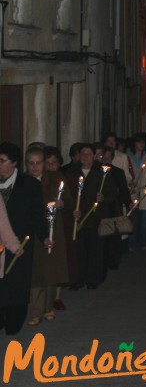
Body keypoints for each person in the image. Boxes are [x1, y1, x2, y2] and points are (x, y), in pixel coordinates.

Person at [0, 142, 48, 335]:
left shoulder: (29, 185)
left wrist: (44, 236)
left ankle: (14, 320)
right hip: (0, 243)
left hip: (20, 242)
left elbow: (38, 215)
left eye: (2, 161)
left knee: (16, 284)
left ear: (14, 163)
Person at [24, 147, 72, 326]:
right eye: (31, 163)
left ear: (44, 164)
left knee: (51, 271)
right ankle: (35, 311)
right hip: (33, 232)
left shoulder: (56, 178)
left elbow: (69, 201)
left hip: (53, 229)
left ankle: (48, 308)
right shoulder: (24, 181)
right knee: (36, 272)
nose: (35, 167)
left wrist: (62, 203)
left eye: (39, 163)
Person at [64, 143, 116, 289]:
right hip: (78, 219)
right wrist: (71, 210)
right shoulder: (72, 172)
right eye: (83, 154)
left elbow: (112, 193)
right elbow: (67, 196)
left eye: (88, 154)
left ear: (94, 156)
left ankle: (93, 279)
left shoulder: (102, 172)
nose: (85, 157)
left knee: (95, 250)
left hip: (96, 218)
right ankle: (77, 279)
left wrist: (103, 197)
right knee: (78, 251)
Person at [44, 146, 77, 310]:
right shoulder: (39, 179)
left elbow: (70, 201)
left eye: (54, 163)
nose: (50, 166)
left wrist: (63, 204)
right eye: (47, 163)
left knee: (59, 260)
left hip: (59, 225)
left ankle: (57, 296)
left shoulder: (60, 177)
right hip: (44, 223)